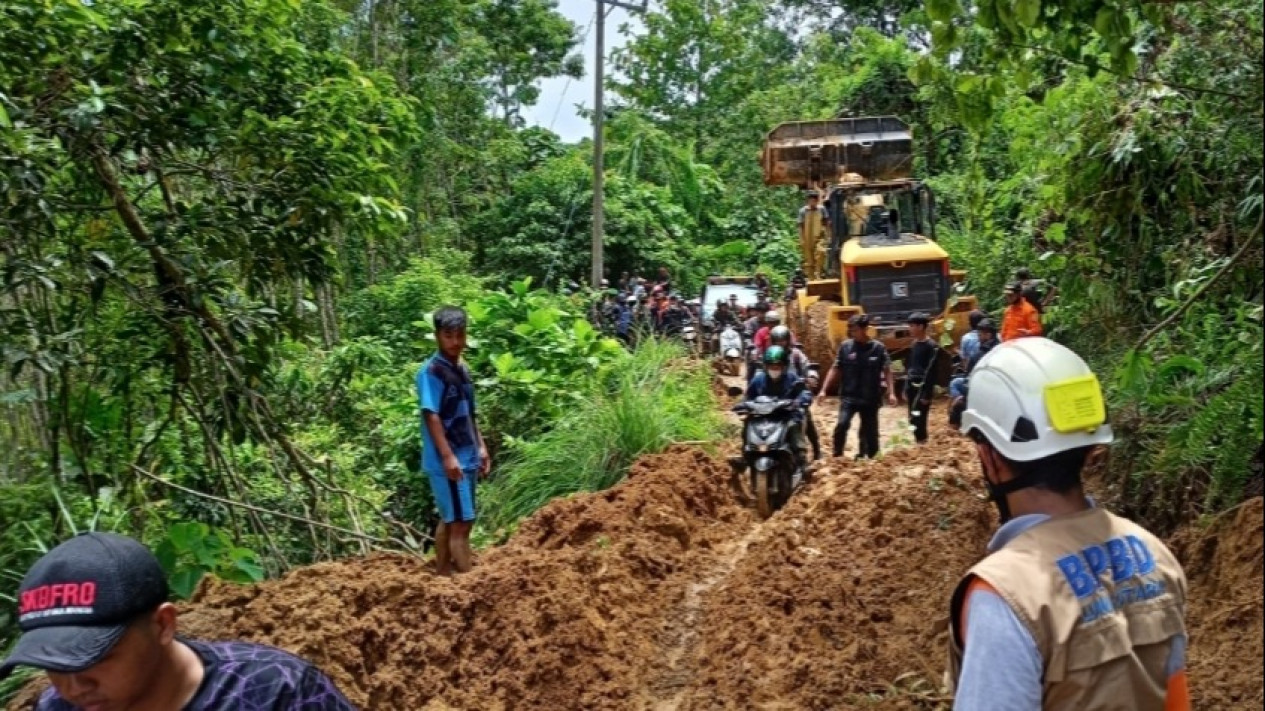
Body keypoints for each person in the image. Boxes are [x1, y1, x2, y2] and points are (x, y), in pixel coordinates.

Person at [948, 338, 1189, 711]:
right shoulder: (1155, 554)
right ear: (1090, 451)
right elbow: (1175, 698)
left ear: (989, 456)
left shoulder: (1005, 594)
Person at [0, 533, 354, 710]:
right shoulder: (58, 707)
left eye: (93, 657)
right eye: (54, 664)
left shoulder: (276, 692)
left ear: (164, 625)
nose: (74, 687)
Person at [417, 306, 489, 575]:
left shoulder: (462, 369)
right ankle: (468, 584)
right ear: (437, 336)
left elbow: (469, 413)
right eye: (448, 336)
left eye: (460, 335)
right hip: (448, 459)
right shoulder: (432, 372)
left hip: (467, 454)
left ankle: (443, 573)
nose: (455, 342)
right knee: (461, 524)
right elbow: (431, 415)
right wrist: (448, 456)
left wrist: (481, 447)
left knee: (451, 519)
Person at [820, 314, 897, 459]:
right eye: (851, 330)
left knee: (871, 433)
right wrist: (824, 390)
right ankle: (837, 456)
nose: (852, 333)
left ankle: (871, 459)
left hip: (870, 398)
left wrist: (891, 392)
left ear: (865, 329)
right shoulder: (846, 347)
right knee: (842, 425)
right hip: (849, 396)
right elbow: (835, 368)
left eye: (855, 330)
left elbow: (887, 370)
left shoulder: (878, 348)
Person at [744, 345, 813, 469]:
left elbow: (804, 392)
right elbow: (748, 396)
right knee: (747, 423)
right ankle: (745, 455)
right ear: (766, 366)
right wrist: (743, 406)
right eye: (771, 366)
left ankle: (801, 460)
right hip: (763, 417)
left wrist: (798, 401)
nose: (774, 369)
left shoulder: (792, 378)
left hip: (786, 415)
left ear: (784, 366)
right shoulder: (758, 380)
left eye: (777, 366)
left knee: (794, 425)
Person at [770, 326, 821, 461]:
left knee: (804, 417)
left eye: (783, 340)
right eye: (777, 341)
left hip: (795, 393)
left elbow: (808, 367)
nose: (780, 343)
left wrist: (812, 377)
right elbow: (760, 370)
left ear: (788, 340)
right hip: (774, 394)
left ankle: (815, 449)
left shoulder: (796, 355)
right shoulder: (770, 354)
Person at [948, 319, 998, 425]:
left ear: (988, 335)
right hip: (995, 388)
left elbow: (969, 377)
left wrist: (964, 396)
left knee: (955, 383)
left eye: (980, 334)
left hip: (979, 389)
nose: (978, 337)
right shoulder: (1001, 347)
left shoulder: (978, 354)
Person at [904, 312, 940, 444]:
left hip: (922, 385)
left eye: (912, 326)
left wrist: (927, 393)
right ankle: (918, 441)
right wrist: (906, 387)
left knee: (920, 417)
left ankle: (922, 441)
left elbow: (932, 372)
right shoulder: (914, 344)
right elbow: (910, 367)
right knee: (912, 416)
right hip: (912, 384)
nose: (910, 329)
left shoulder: (931, 346)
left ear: (920, 327)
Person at [798, 191, 831, 277]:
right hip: (807, 237)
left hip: (820, 236)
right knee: (809, 260)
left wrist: (828, 235)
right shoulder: (803, 211)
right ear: (808, 201)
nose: (812, 202)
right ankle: (811, 278)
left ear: (817, 201)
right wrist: (801, 239)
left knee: (821, 252)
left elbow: (827, 223)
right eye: (811, 200)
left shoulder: (822, 209)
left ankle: (818, 273)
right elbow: (800, 226)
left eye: (814, 201)